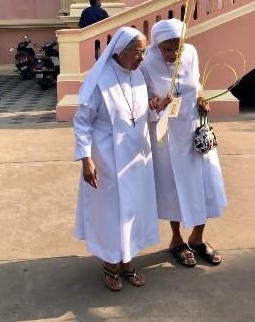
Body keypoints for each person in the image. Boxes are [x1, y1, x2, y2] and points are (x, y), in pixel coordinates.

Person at [73, 26, 159, 291]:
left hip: (137, 155)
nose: (142, 58)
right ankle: (111, 263)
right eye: (137, 52)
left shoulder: (138, 75)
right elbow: (82, 122)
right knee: (112, 212)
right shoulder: (99, 79)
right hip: (107, 157)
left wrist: (155, 108)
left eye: (144, 52)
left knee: (133, 208)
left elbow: (140, 113)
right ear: (120, 51)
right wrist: (86, 158)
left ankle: (128, 261)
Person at [140, 19, 227, 267]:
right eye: (168, 48)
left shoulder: (191, 53)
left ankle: (198, 238)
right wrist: (157, 104)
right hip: (167, 136)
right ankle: (176, 240)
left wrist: (202, 97)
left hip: (194, 131)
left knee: (203, 182)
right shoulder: (147, 63)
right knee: (173, 187)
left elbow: (197, 82)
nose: (174, 53)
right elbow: (144, 101)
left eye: (178, 46)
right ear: (157, 45)